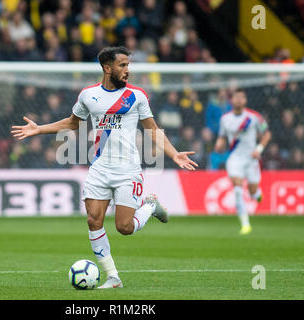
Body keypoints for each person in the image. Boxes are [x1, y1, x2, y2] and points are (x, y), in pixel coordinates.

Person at [11, 46, 198, 289]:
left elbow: (152, 129)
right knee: (93, 220)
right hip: (99, 168)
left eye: (128, 65)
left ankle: (150, 206)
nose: (127, 70)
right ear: (107, 68)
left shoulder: (137, 96)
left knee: (124, 227)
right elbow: (72, 122)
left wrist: (174, 154)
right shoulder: (88, 95)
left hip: (127, 170)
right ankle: (113, 278)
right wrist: (39, 128)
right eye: (122, 65)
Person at [214, 89, 271, 235]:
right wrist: (219, 144)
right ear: (231, 100)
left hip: (251, 159)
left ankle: (257, 194)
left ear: (245, 101)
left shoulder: (254, 117)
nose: (239, 100)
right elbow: (221, 136)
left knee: (252, 193)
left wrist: (259, 148)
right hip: (234, 159)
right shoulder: (225, 119)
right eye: (236, 97)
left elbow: (267, 134)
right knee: (238, 190)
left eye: (242, 97)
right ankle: (245, 224)